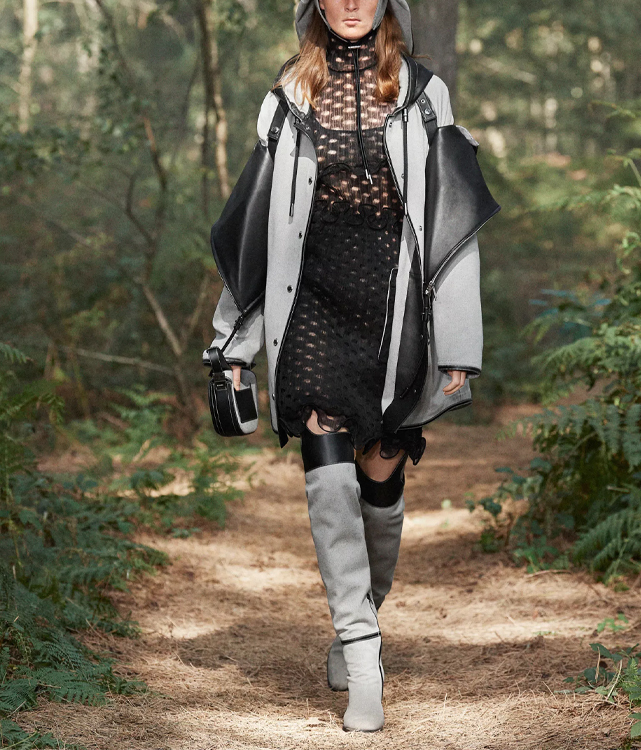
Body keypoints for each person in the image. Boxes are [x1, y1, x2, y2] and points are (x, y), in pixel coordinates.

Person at [207, 0, 498, 733]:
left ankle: (362, 616)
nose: (349, 3)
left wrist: (459, 343)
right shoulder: (286, 96)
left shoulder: (426, 94)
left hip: (396, 312)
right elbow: (253, 230)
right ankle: (364, 656)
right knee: (329, 475)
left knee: (379, 477)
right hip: (310, 306)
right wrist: (231, 346)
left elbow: (452, 224)